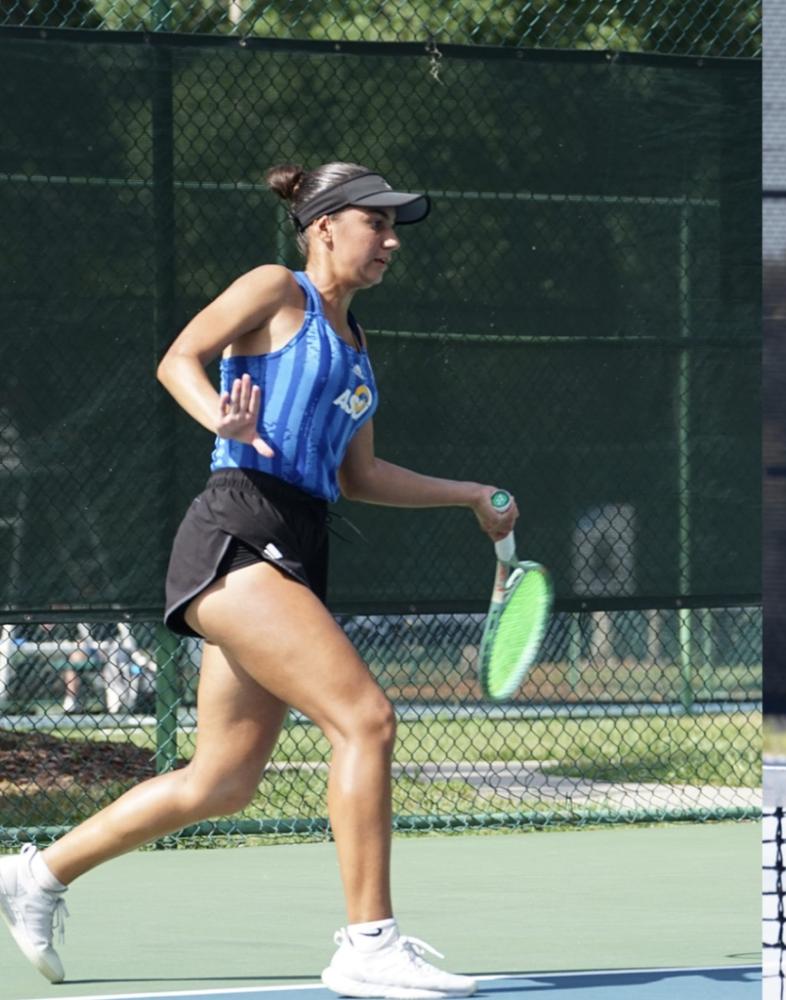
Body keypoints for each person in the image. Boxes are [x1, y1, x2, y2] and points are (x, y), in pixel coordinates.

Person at [0, 161, 510, 997]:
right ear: (323, 226)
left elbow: (360, 474)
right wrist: (221, 415)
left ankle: (36, 876)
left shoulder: (356, 344)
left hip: (299, 538)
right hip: (238, 527)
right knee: (367, 720)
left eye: (394, 228)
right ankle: (368, 944)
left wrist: (471, 497)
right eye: (374, 223)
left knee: (222, 781)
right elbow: (178, 359)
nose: (389, 241)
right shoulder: (277, 291)